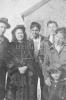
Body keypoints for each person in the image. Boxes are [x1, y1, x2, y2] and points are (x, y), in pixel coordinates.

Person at [6, 25, 36, 100]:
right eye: (18, 33)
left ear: (24, 34)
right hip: (14, 75)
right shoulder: (10, 46)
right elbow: (8, 60)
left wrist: (26, 67)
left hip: (27, 75)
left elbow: (31, 58)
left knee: (28, 95)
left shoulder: (29, 44)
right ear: (14, 35)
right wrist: (17, 68)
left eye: (21, 33)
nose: (20, 35)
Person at [43, 27, 66, 100]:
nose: (58, 39)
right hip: (52, 81)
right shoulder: (50, 49)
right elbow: (45, 64)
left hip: (64, 81)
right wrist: (46, 77)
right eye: (57, 37)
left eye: (61, 38)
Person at [30, 22, 44, 100]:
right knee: (33, 85)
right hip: (32, 66)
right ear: (30, 30)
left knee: (43, 84)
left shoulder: (44, 39)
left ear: (39, 30)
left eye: (36, 30)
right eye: (33, 30)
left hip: (42, 65)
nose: (35, 32)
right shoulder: (28, 40)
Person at [0, 18, 10, 100]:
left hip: (2, 70)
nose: (2, 30)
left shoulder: (6, 41)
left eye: (4, 28)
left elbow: (7, 56)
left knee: (1, 89)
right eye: (1, 27)